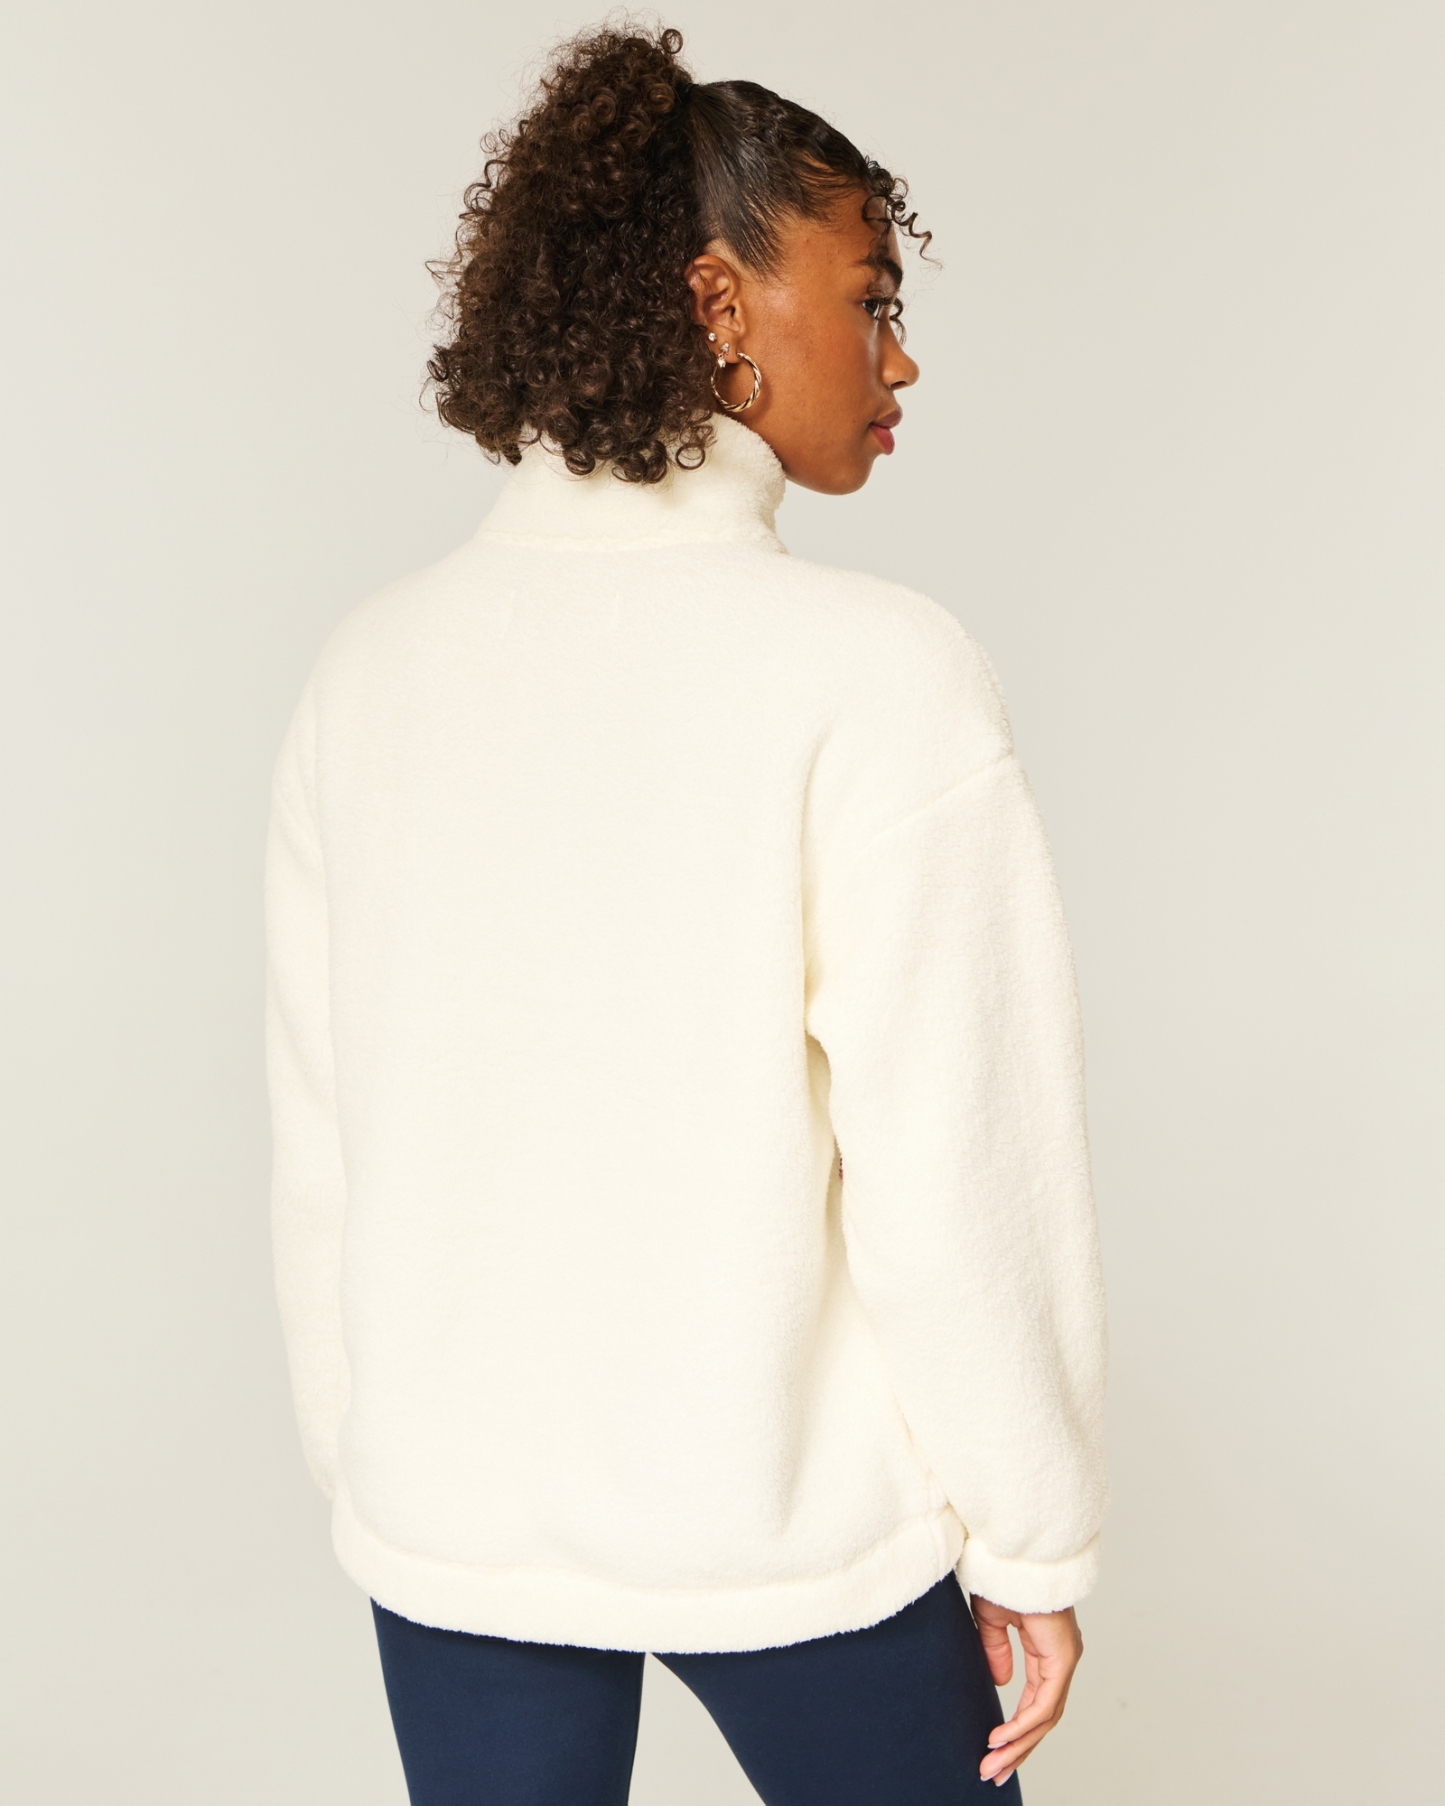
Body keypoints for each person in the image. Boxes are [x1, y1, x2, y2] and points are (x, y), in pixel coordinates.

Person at [264, 23, 1108, 1805]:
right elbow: (958, 1167)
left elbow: (324, 1142)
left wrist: (381, 1465)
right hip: (787, 1527)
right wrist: (1029, 1531)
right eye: (869, 297)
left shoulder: (368, 671)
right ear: (719, 299)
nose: (899, 355)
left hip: (454, 1530)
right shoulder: (877, 674)